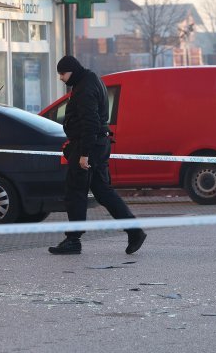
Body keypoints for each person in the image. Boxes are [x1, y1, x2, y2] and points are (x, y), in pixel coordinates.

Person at [49, 55, 147, 255]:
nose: (61, 78)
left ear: (72, 71)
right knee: (103, 192)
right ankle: (134, 231)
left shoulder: (84, 88)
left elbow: (90, 122)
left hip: (89, 147)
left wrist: (83, 154)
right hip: (99, 144)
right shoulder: (91, 80)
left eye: (62, 74)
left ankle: (73, 240)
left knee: (75, 192)